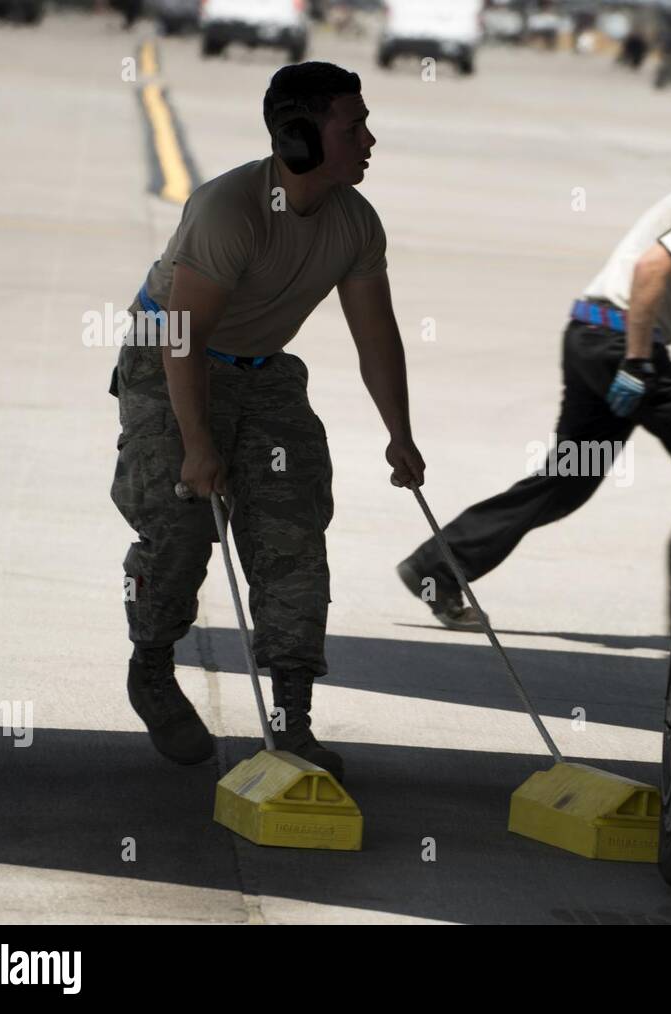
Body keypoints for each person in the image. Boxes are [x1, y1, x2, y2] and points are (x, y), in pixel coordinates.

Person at [110, 62, 425, 784]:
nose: (370, 139)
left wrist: (399, 434)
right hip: (172, 363)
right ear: (299, 138)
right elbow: (183, 337)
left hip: (261, 371)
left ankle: (291, 722)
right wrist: (197, 447)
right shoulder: (230, 209)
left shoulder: (353, 221)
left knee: (292, 530)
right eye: (354, 127)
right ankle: (152, 665)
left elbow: (376, 335)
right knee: (182, 525)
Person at [398, 163, 671, 630]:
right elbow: (652, 270)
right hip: (620, 346)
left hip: (593, 334)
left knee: (566, 482)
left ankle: (435, 568)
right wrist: (639, 361)